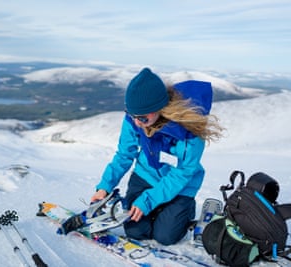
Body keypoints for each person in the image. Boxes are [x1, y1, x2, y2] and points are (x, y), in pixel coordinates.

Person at [90, 67, 223, 245]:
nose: (137, 122)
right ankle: (161, 209)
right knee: (136, 231)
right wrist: (104, 187)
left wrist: (148, 200)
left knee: (166, 237)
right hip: (146, 175)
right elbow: (124, 154)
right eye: (132, 116)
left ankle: (181, 211)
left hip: (180, 184)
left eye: (143, 118)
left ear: (158, 108)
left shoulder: (190, 130)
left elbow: (183, 172)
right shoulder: (135, 117)